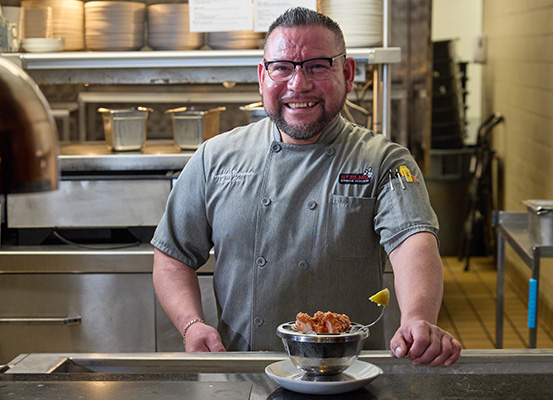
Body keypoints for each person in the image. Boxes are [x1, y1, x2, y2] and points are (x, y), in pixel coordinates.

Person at [152, 7, 461, 367]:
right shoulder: (216, 158)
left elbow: (413, 242)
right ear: (262, 76)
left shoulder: (384, 162)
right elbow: (173, 255)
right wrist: (191, 325)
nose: (299, 84)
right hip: (242, 372)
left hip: (349, 374)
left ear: (347, 73)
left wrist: (418, 318)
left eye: (317, 65)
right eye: (282, 67)